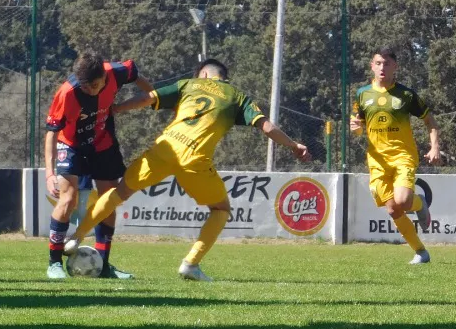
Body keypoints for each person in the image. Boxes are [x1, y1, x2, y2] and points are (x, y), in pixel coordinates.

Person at [67, 59, 310, 281]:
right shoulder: (237, 97)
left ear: (203, 74)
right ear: (220, 76)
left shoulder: (189, 84)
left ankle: (76, 237)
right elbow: (266, 127)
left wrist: (115, 109)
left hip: (165, 149)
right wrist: (293, 144)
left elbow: (147, 98)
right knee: (221, 208)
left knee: (119, 192)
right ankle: (190, 264)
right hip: (195, 159)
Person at [44, 51, 153, 280]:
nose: (91, 90)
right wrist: (49, 173)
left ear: (104, 75)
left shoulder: (118, 72)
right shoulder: (66, 93)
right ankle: (54, 264)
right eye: (86, 87)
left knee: (109, 198)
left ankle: (103, 266)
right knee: (68, 197)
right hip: (70, 144)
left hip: (103, 143)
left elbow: (149, 90)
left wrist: (135, 103)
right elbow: (52, 134)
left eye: (95, 85)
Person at [349, 47, 440, 265]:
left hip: (403, 156)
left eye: (387, 63)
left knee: (402, 201)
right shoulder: (362, 94)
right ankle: (420, 252)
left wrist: (434, 147)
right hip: (377, 161)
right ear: (372, 66)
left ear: (395, 67)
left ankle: (419, 204)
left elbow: (430, 121)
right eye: (378, 63)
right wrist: (356, 129)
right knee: (392, 208)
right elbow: (359, 126)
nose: (382, 68)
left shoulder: (406, 95)